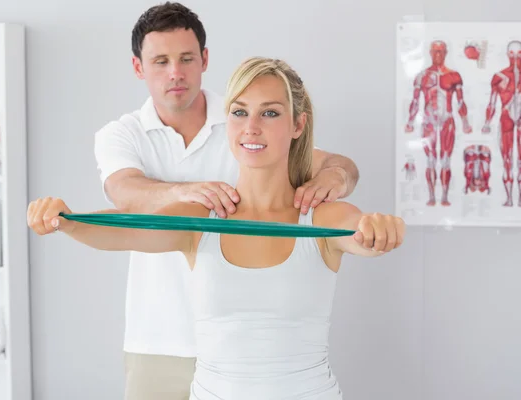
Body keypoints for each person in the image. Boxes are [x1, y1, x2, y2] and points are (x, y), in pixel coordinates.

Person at [29, 56, 405, 400]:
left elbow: (363, 233)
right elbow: (123, 232)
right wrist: (66, 220)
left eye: (270, 114)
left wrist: (379, 229)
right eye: (240, 113)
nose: (251, 128)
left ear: (297, 124)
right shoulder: (200, 219)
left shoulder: (321, 218)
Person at [92, 3, 361, 399]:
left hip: (244, 350)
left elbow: (338, 164)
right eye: (160, 61)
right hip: (158, 340)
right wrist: (184, 193)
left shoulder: (243, 119)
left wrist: (332, 178)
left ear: (204, 59)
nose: (175, 73)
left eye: (186, 58)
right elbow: (124, 191)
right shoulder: (122, 134)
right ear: (138, 67)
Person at [404, 40, 472, 207]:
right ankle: (432, 196)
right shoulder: (422, 76)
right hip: (428, 122)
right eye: (435, 51)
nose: (438, 55)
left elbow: (461, 102)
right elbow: (415, 101)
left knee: (446, 159)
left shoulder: (453, 76)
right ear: (430, 52)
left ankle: (445, 197)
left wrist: (465, 122)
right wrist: (410, 122)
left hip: (447, 121)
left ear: (446, 53)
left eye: (441, 51)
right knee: (431, 160)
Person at [481, 40, 521, 206]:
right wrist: (487, 122)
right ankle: (509, 198)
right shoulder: (499, 77)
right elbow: (492, 103)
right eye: (512, 54)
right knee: (507, 159)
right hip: (505, 118)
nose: (515, 58)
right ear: (507, 55)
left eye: (519, 54)